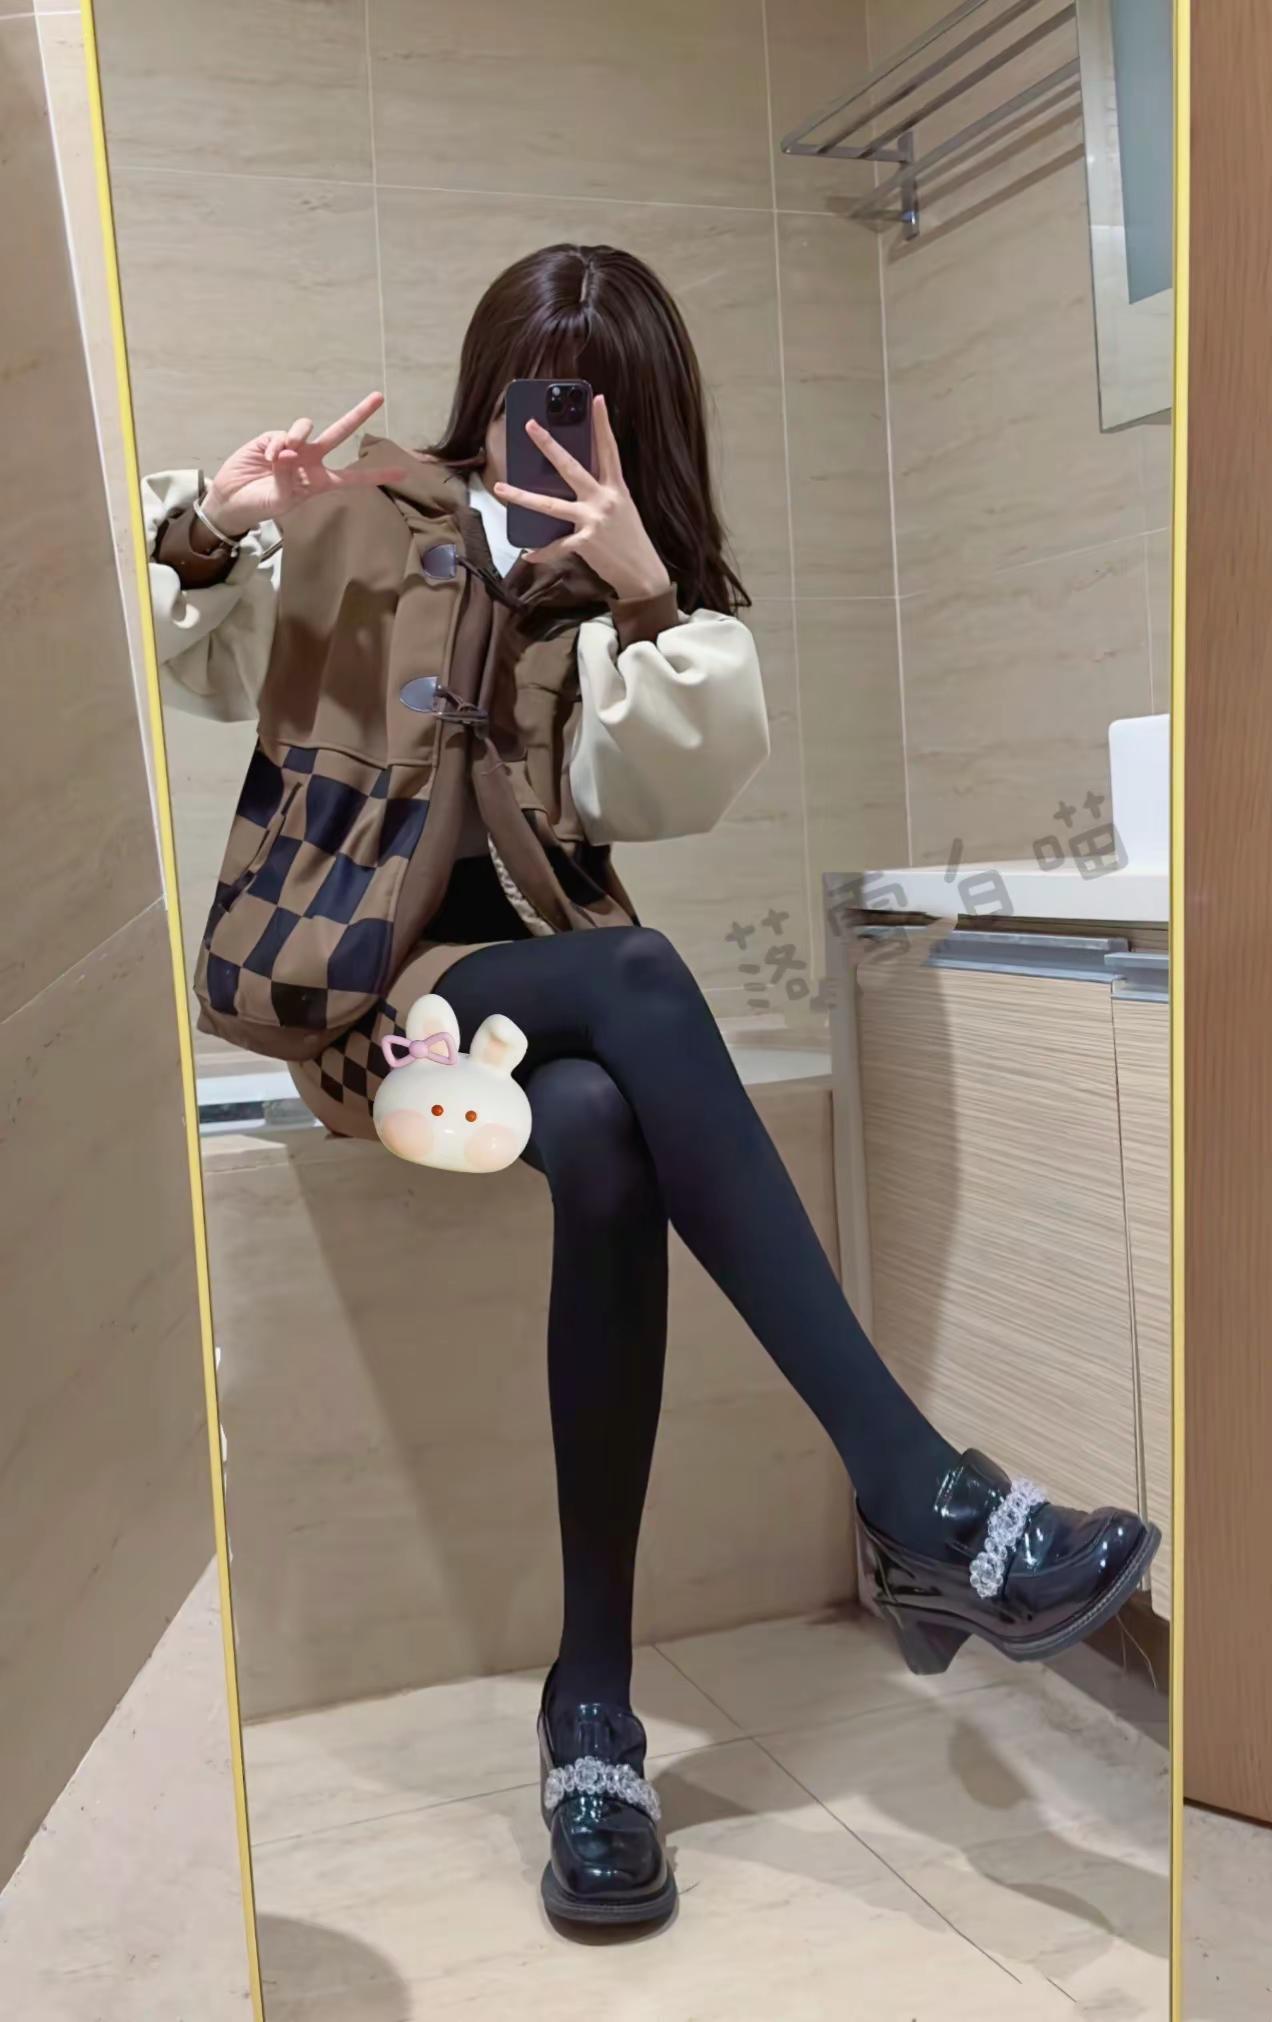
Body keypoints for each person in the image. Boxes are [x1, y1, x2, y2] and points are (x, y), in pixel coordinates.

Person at [145, 243, 1159, 1931]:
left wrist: (641, 591)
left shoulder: (617, 595)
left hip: (533, 1014)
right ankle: (921, 1494)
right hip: (373, 1011)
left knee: (607, 1121)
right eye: (527, 390)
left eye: (590, 405)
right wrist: (218, 520)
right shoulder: (357, 517)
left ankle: (591, 1712)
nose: (543, 431)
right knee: (640, 975)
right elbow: (189, 651)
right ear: (483, 385)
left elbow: (661, 789)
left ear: (644, 425)